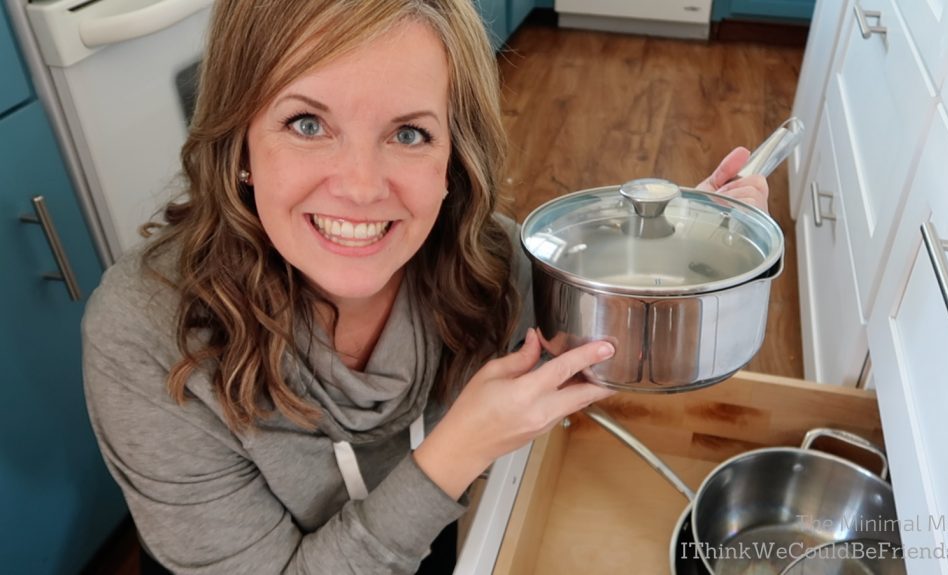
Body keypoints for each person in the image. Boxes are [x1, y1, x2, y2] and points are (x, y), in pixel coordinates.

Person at [81, 1, 771, 573]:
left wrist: (685, 252)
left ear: (452, 161)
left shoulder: (490, 264)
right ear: (241, 145)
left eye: (409, 133)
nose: (360, 188)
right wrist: (456, 452)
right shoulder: (146, 335)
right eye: (307, 124)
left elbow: (605, 331)